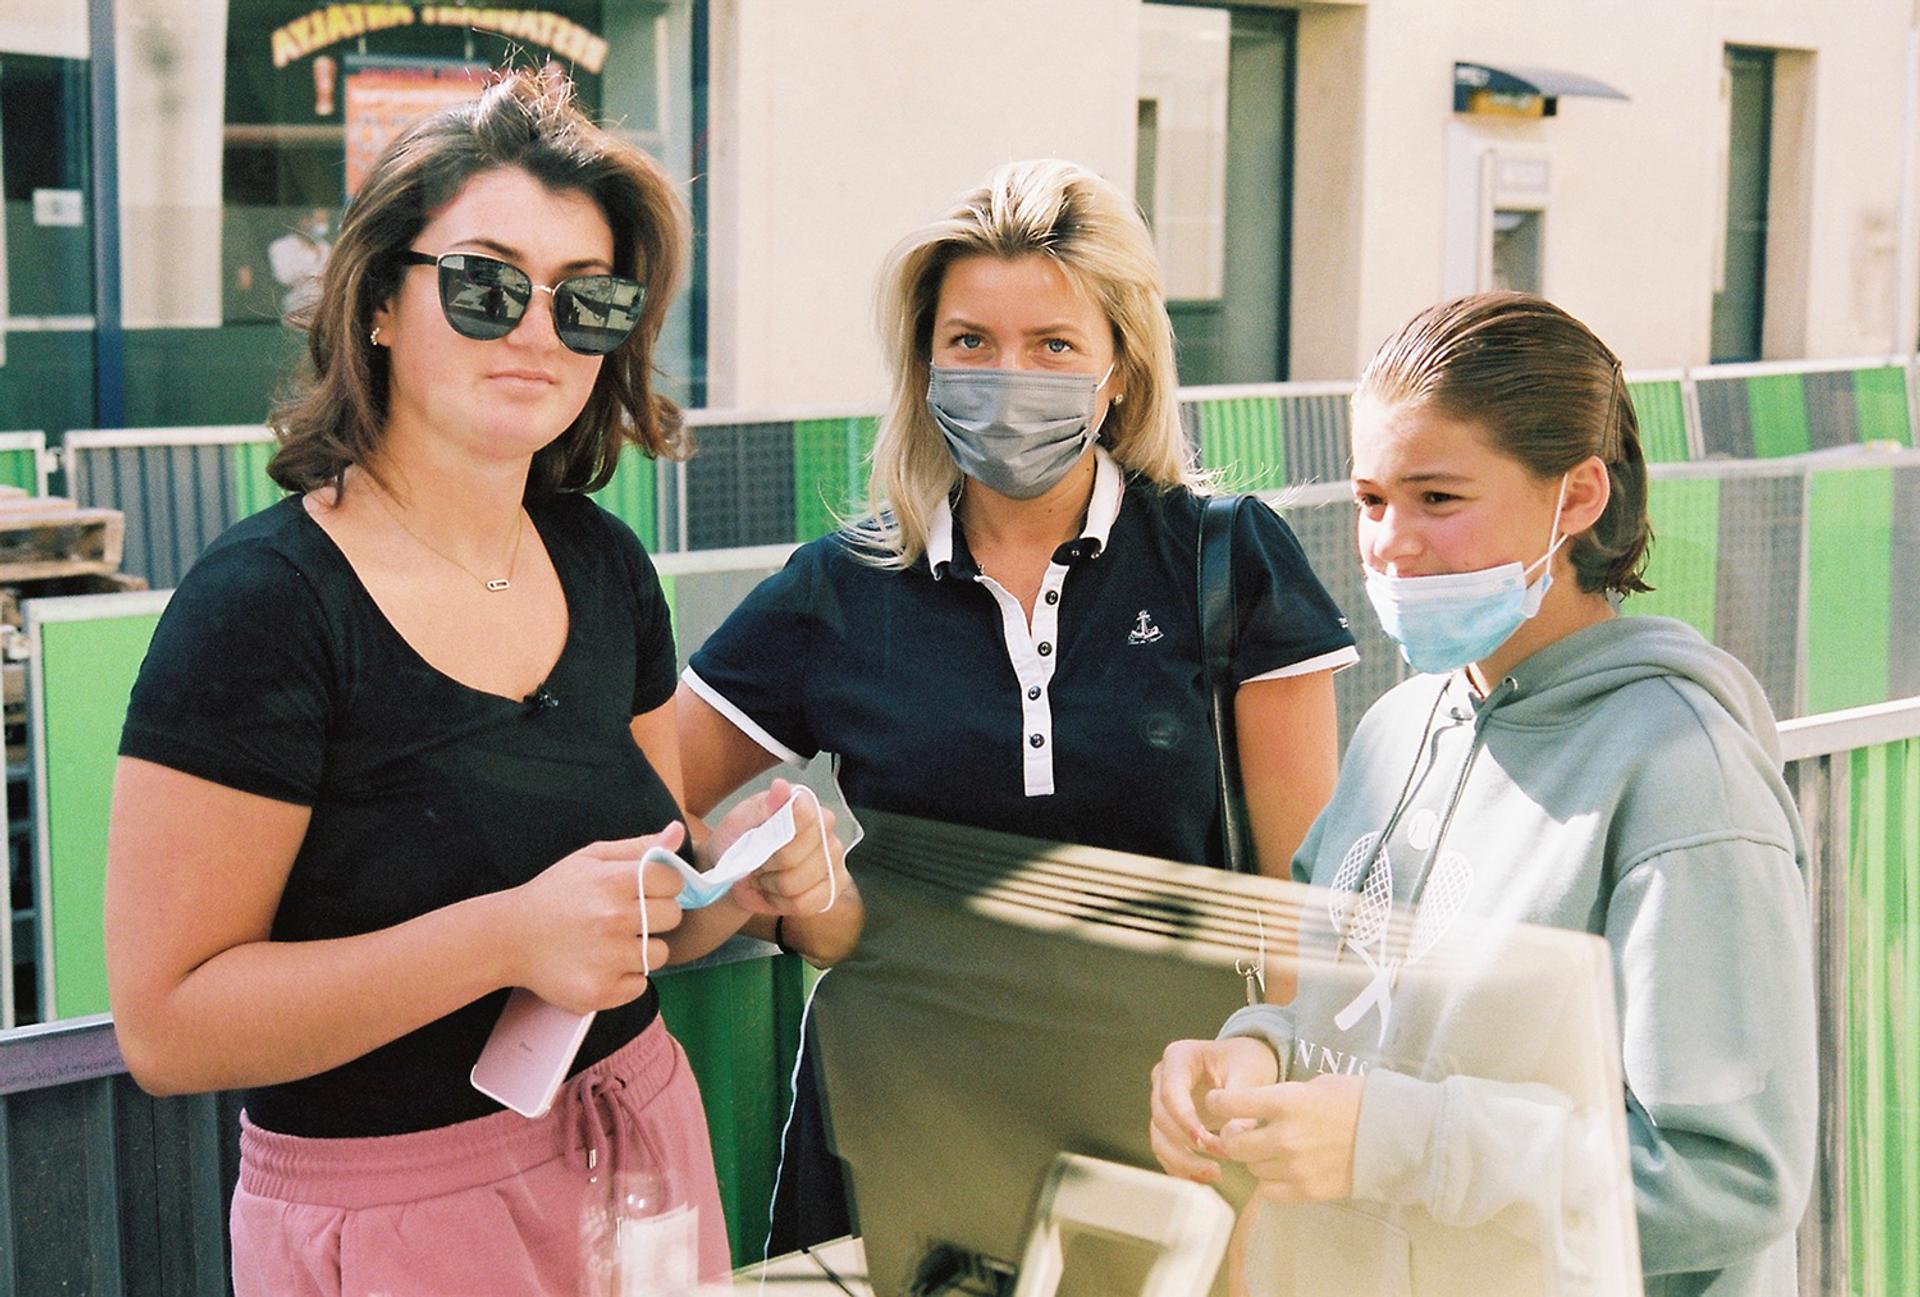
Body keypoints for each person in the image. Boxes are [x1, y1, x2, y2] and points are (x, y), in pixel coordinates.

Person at [103, 67, 844, 1297]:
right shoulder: (265, 606)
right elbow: (168, 1025)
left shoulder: (600, 561)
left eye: (589, 299)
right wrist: (506, 937)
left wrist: (744, 870)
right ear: (379, 304)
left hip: (641, 1153)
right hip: (398, 1220)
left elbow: (656, 902)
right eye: (487, 284)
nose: (540, 330)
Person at [675, 158, 1358, 1244]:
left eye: (1052, 345)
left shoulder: (1226, 562)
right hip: (895, 1136)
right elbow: (639, 794)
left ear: (1120, 370)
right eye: (970, 343)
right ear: (925, 362)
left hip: (1162, 1150)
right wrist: (783, 877)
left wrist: (1272, 1144)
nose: (1008, 376)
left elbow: (1300, 912)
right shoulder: (839, 588)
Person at [1149, 292, 1817, 1296]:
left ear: (1579, 497)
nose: (1389, 544)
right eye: (1371, 498)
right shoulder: (1393, 733)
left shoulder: (1685, 775)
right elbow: (1359, 1029)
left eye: (1439, 499)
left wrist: (1402, 1146)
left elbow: (1730, 1180)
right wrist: (1253, 1059)